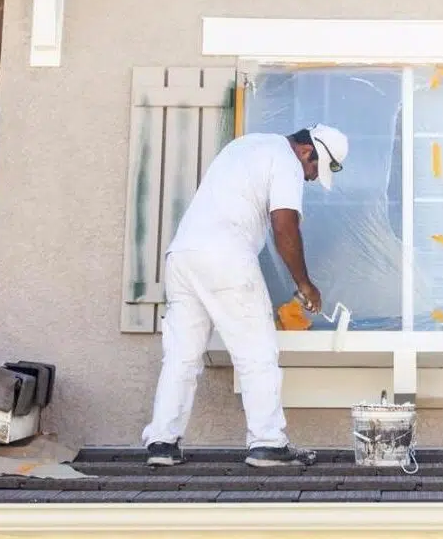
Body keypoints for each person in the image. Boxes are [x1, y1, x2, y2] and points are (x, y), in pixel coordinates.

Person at [141, 124, 349, 468]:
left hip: (183, 255)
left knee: (181, 356)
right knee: (257, 352)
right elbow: (284, 225)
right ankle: (267, 442)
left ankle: (162, 442)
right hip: (226, 256)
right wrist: (305, 283)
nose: (311, 178)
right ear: (307, 151)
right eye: (314, 169)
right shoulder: (286, 161)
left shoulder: (246, 145)